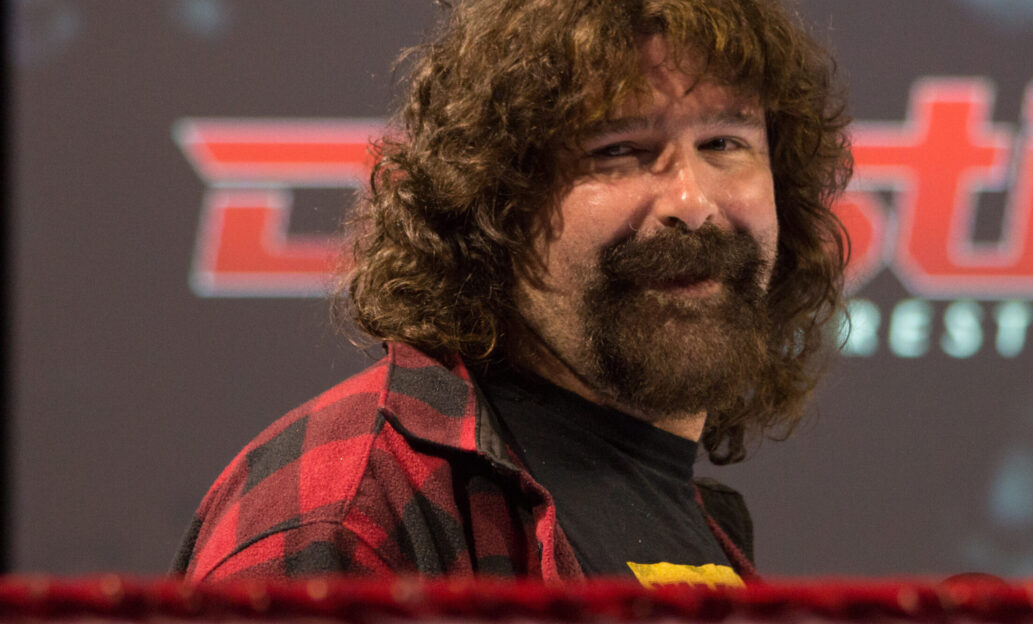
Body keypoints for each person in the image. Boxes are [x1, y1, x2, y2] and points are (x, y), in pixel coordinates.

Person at [173, 0, 851, 585]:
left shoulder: (704, 536)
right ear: (498, 206)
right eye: (619, 150)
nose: (692, 201)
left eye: (725, 143)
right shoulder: (352, 505)